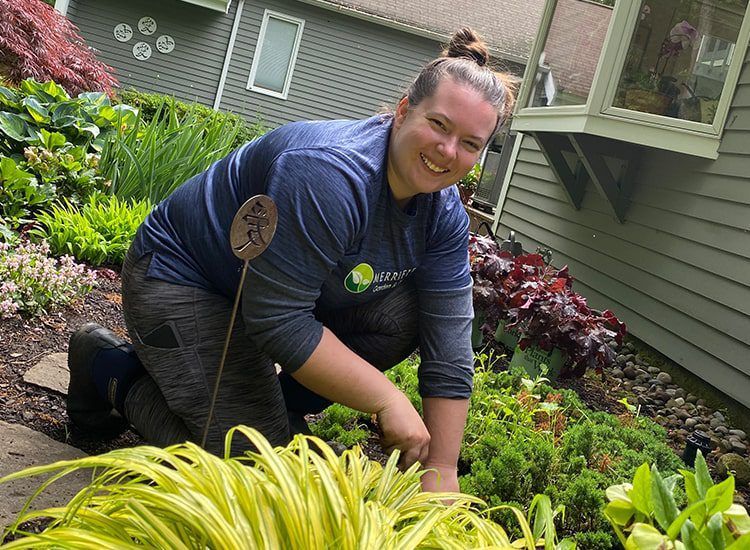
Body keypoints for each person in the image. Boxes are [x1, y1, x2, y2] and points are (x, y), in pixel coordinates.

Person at [67, 27, 515, 493]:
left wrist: (440, 468)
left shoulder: (442, 214)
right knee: (254, 471)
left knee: (405, 314)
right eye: (439, 125)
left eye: (470, 143)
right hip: (184, 278)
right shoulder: (328, 175)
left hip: (268, 296)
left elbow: (449, 342)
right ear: (403, 110)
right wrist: (386, 399)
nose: (448, 152)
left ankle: (265, 408)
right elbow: (278, 320)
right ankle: (108, 368)